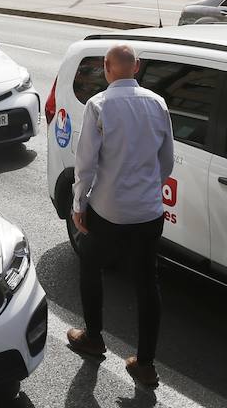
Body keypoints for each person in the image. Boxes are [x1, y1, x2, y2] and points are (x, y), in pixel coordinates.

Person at [66, 44, 174, 388]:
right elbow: (166, 160)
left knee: (90, 264)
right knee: (147, 284)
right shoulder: (157, 103)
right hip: (148, 212)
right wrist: (147, 190)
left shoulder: (99, 105)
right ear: (137, 67)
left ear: (106, 67)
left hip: (108, 211)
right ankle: (145, 365)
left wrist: (79, 204)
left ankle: (94, 337)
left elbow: (86, 163)